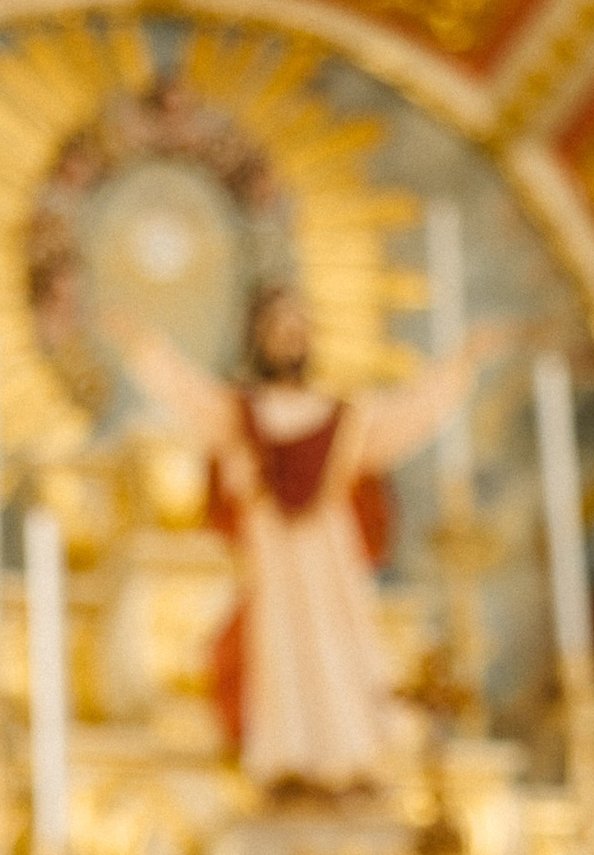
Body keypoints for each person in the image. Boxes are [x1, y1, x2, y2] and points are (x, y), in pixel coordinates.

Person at [127, 284, 495, 796]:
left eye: (298, 326)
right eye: (279, 327)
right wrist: (145, 349)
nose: (290, 337)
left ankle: (352, 758)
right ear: (258, 338)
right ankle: (285, 762)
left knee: (340, 648)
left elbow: (407, 416)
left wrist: (460, 365)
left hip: (330, 569)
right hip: (273, 568)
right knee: (276, 654)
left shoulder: (342, 419)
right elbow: (189, 395)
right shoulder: (242, 415)